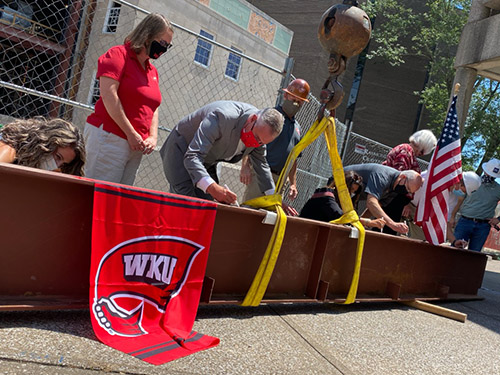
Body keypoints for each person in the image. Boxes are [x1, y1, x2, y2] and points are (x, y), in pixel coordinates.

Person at [83, 13, 174, 185]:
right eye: (162, 43)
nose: (164, 49)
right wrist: (131, 133)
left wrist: (152, 137)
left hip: (135, 145)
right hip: (110, 137)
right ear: (147, 35)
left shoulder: (152, 71)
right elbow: (109, 96)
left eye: (168, 46)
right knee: (99, 195)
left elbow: (153, 106)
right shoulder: (118, 55)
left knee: (119, 199)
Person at [160, 101, 284, 205]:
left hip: (206, 162)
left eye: (261, 142)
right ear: (253, 119)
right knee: (186, 205)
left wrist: (274, 201)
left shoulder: (259, 135)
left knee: (207, 206)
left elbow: (262, 165)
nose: (255, 143)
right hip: (181, 152)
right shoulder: (222, 117)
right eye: (256, 137)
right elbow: (193, 156)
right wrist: (212, 188)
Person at [240, 78, 310, 202]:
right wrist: (245, 166)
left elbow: (293, 159)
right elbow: (251, 140)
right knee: (250, 210)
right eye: (293, 100)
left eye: (299, 102)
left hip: (280, 181)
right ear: (286, 95)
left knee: (271, 217)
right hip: (260, 175)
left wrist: (293, 183)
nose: (296, 104)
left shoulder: (297, 127)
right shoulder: (269, 116)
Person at [382, 129, 437, 235]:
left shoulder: (407, 151)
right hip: (392, 199)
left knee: (388, 230)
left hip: (393, 199)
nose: (421, 154)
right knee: (387, 231)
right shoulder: (405, 151)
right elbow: (399, 177)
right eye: (422, 151)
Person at [342, 163, 423, 234]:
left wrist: (362, 223)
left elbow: (377, 206)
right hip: (339, 185)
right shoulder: (382, 176)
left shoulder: (395, 189)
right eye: (407, 188)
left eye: (409, 192)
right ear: (403, 177)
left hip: (350, 198)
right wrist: (392, 224)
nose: (406, 191)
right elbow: (371, 203)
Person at [300, 171, 386, 229]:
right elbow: (340, 216)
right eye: (350, 189)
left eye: (354, 192)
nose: (350, 193)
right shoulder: (326, 194)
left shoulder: (342, 201)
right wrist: (368, 222)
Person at [0, 117, 85, 176]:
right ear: (46, 143)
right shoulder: (8, 151)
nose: (57, 165)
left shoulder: (55, 170)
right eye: (58, 157)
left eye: (63, 164)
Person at [453, 158, 500, 251]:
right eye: (489, 174)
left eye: (493, 175)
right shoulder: (471, 182)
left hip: (483, 226)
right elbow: (459, 199)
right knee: (454, 250)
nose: (490, 176)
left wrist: (498, 219)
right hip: (465, 221)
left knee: (474, 255)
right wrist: (452, 217)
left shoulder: (498, 189)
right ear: (484, 171)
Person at [446, 171, 481, 245]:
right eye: (463, 191)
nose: (462, 194)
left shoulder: (454, 199)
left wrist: (455, 242)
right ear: (459, 183)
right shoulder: (437, 182)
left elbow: (445, 225)